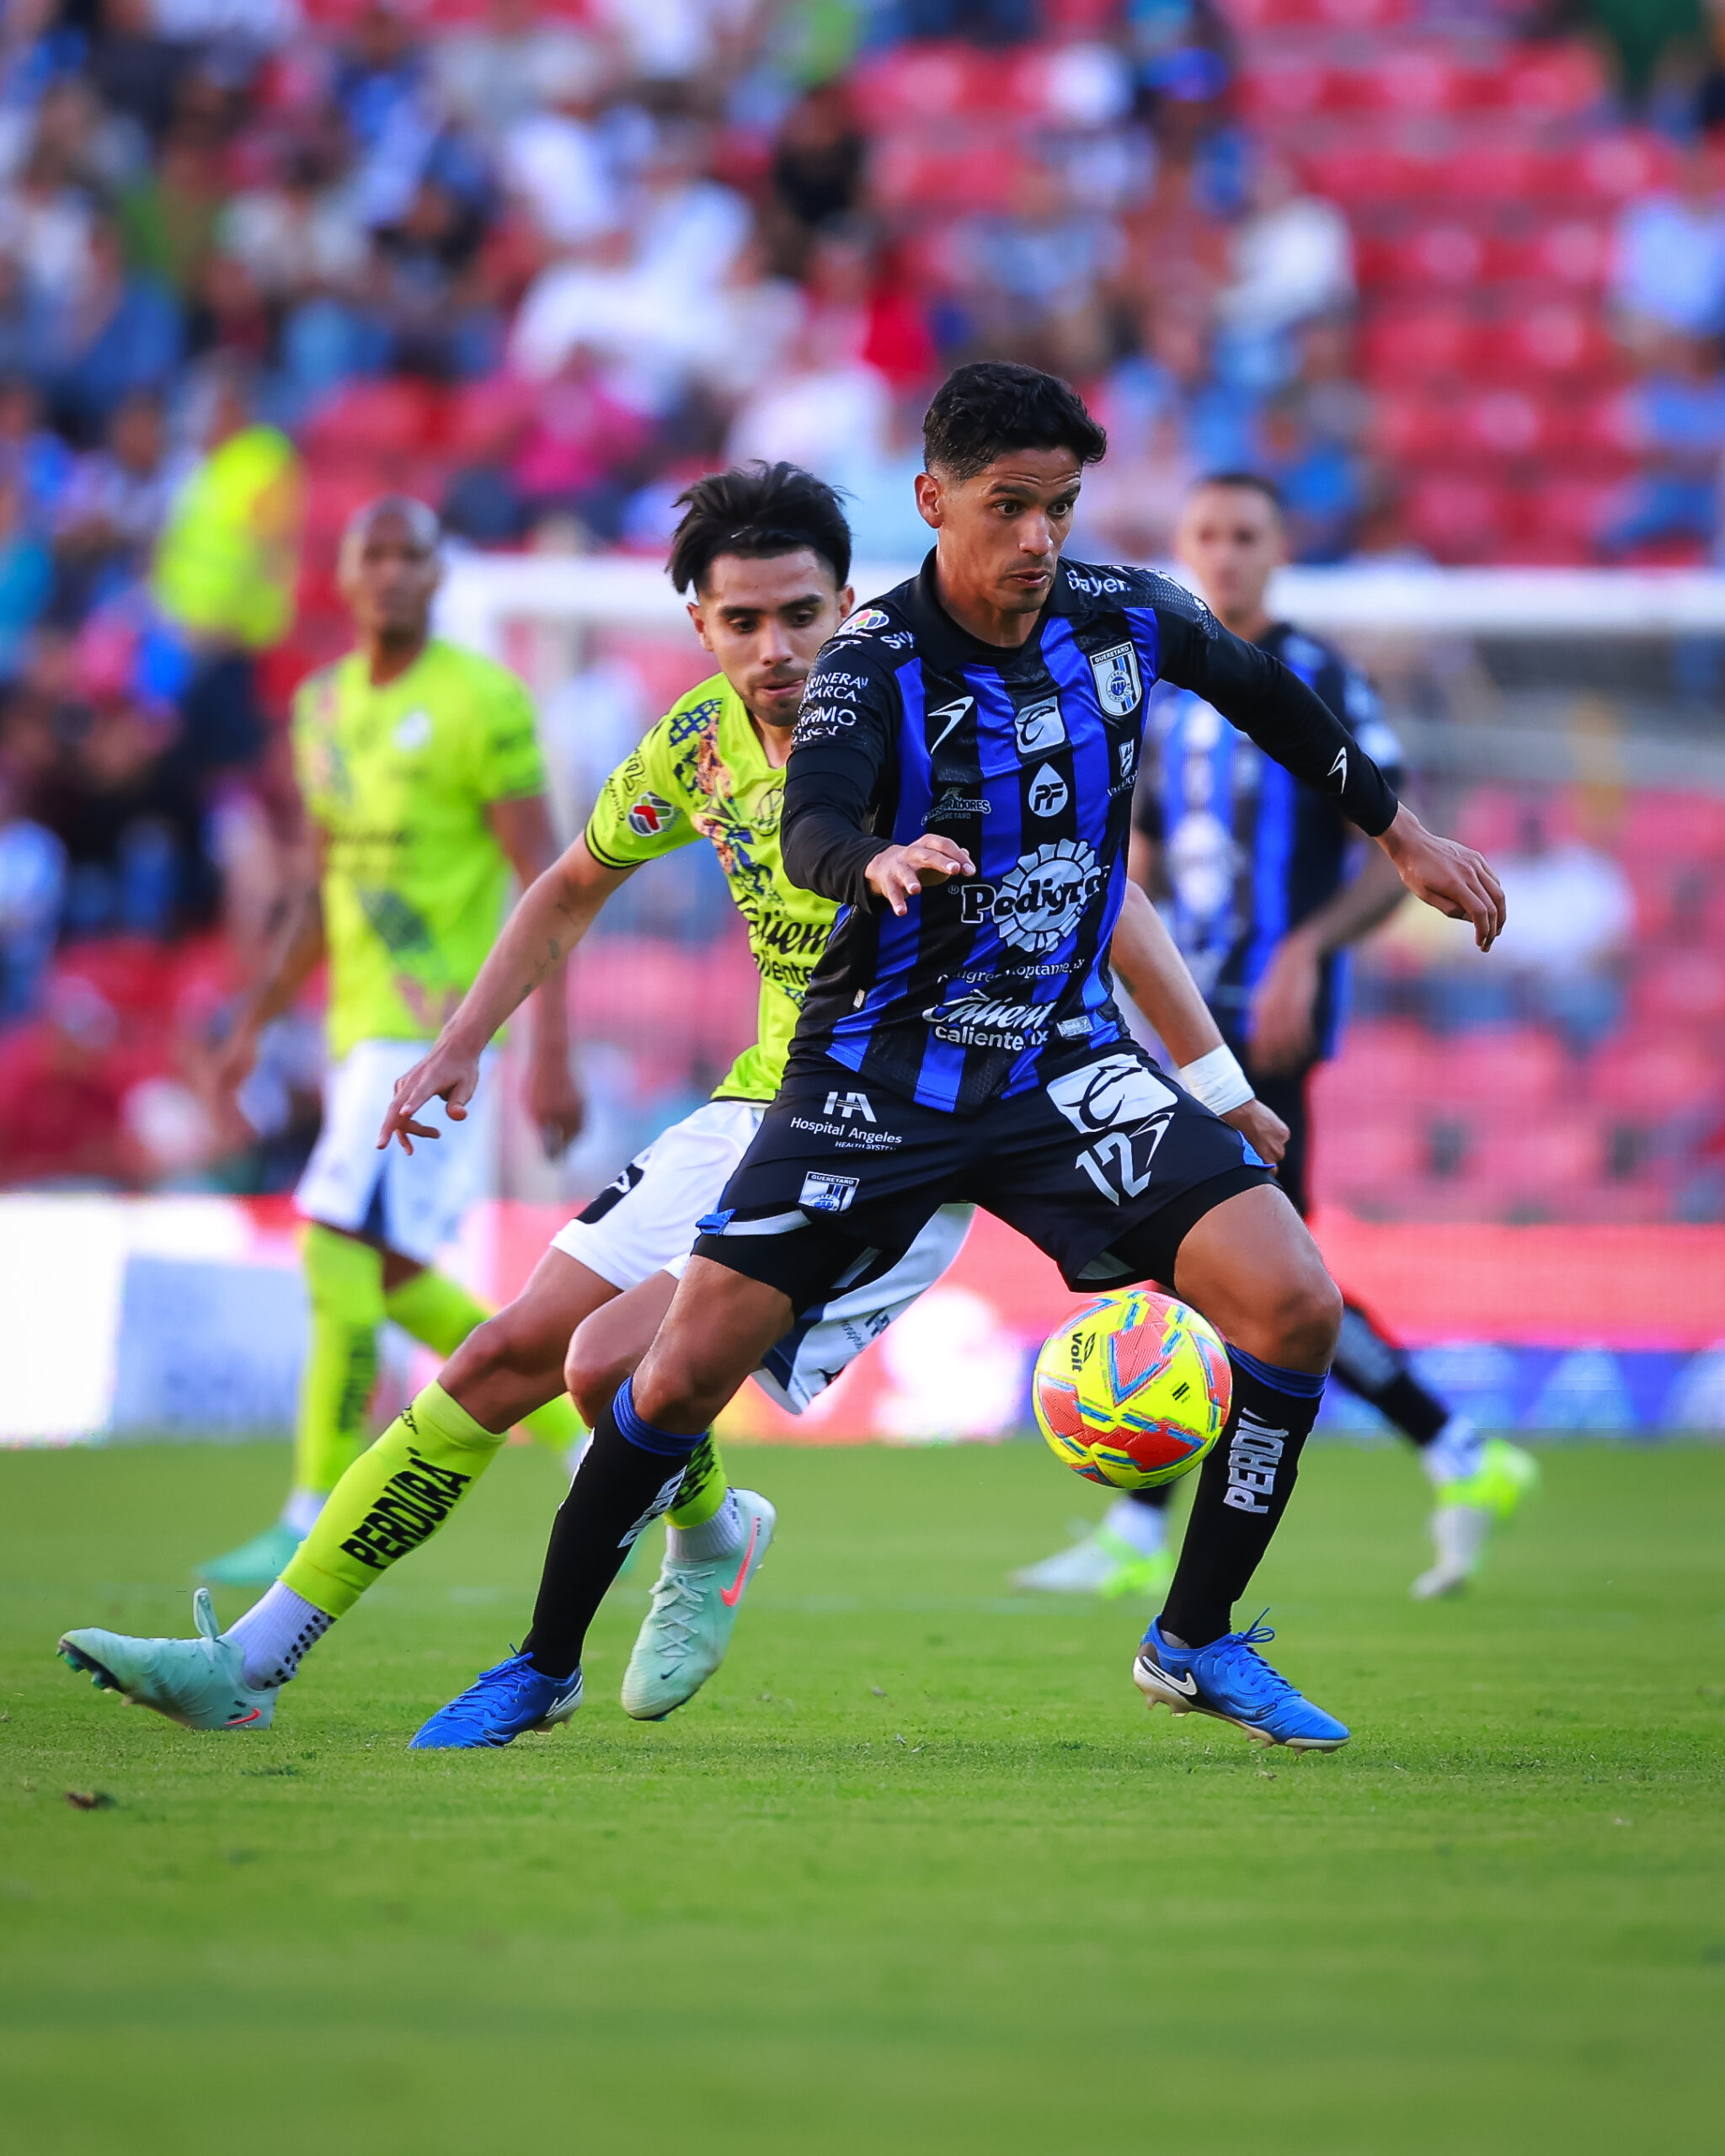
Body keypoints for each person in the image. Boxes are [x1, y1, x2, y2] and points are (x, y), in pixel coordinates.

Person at [55, 460, 1288, 1736]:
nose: (774, 650)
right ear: (697, 625)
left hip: (900, 1133)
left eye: (802, 616)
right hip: (755, 1106)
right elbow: (571, 882)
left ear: (849, 603)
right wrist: (468, 1041)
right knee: (502, 1355)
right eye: (741, 622)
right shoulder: (695, 744)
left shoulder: (931, 715)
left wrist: (1212, 1084)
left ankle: (694, 1550)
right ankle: (251, 1665)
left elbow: (1109, 896)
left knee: (603, 1372)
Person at [412, 361, 1503, 1757]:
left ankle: (1195, 1641)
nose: (1040, 536)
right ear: (934, 502)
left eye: (1059, 505)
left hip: (1062, 1068)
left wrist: (1397, 832)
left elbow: (1260, 690)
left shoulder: (1119, 618)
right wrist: (874, 857)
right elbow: (810, 823)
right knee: (675, 1381)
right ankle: (544, 1662)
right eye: (1009, 506)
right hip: (873, 1077)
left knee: (1294, 1306)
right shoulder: (869, 660)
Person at [1016, 472, 1539, 1606]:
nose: (1225, 553)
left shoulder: (1317, 676)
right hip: (1186, 1016)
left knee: (1243, 1269)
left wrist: (1306, 952)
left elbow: (1386, 837)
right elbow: (1137, 848)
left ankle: (1158, 1527)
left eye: (1246, 534)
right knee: (1219, 1266)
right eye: (1206, 534)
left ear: (1279, 547)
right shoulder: (1155, 674)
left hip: (1274, 1018)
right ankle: (1453, 1452)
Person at [190, 494, 585, 1587]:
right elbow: (323, 885)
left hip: (438, 1027)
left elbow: (553, 882)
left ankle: (309, 1506)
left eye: (417, 554)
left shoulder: (483, 702)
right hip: (356, 1024)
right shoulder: (320, 710)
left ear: (440, 572)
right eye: (377, 555)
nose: (398, 573)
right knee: (397, 1268)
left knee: (332, 1246)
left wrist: (548, 1044)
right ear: (348, 576)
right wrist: (255, 1023)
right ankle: (593, 1431)